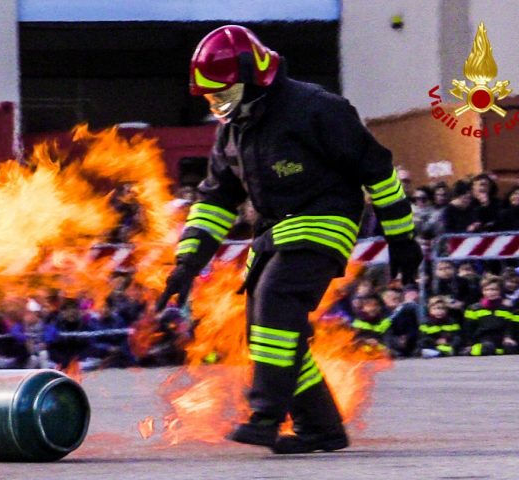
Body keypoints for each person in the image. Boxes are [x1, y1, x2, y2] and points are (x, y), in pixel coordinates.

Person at [157, 25, 423, 454]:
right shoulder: (234, 127)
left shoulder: (317, 109)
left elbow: (376, 170)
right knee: (270, 331)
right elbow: (217, 199)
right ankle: (320, 428)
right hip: (273, 232)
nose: (215, 104)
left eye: (222, 93)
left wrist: (401, 238)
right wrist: (187, 263)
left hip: (326, 219)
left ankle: (264, 414)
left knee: (276, 298)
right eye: (209, 97)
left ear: (253, 76)